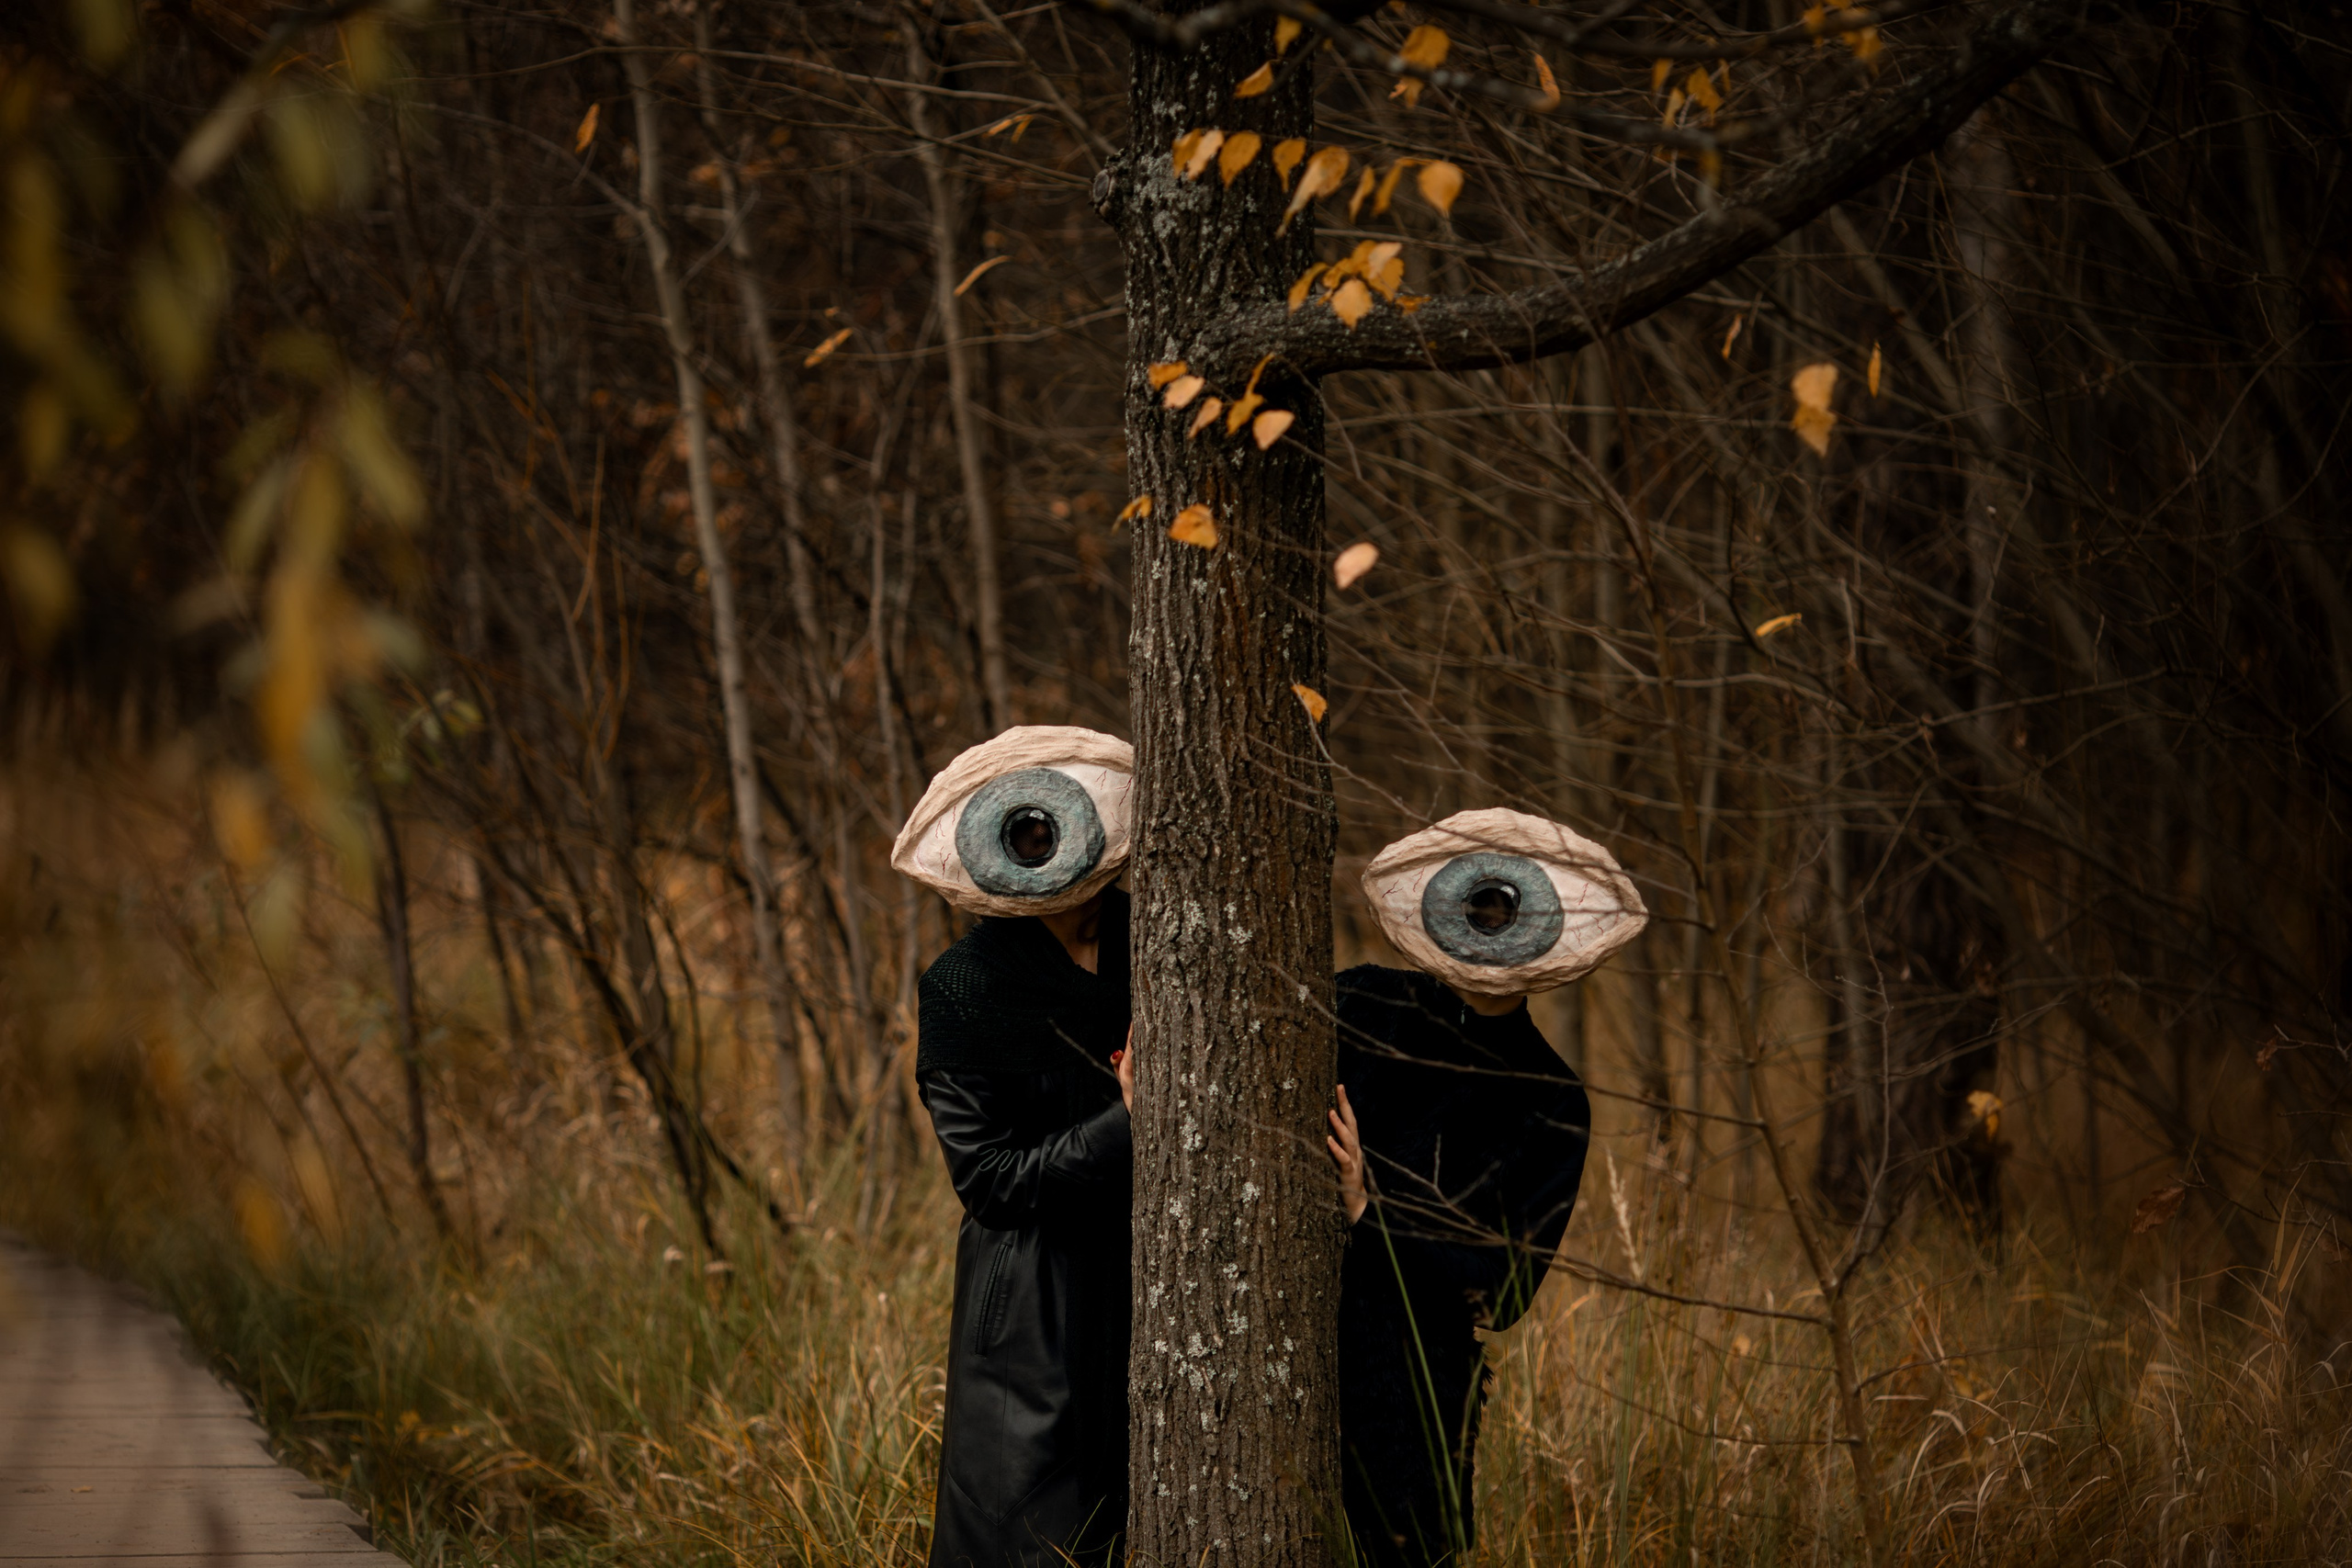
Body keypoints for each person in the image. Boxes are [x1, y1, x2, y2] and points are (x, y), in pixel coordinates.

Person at [1326, 807, 1645, 1567]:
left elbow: (1502, 1293)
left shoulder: (1550, 1098)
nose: (1493, 920)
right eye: (1481, 903)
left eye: (1509, 909)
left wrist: (1372, 1211)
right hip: (1288, 1345)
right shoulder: (1364, 1003)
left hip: (1417, 1392)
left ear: (1547, 930)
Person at [893, 727, 1141, 1568]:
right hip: (1034, 1306)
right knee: (1030, 1537)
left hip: (1157, 1272)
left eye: (1052, 824)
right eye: (1023, 831)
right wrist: (1128, 1120)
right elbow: (990, 1182)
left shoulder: (1159, 943)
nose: (1041, 842)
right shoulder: (964, 986)